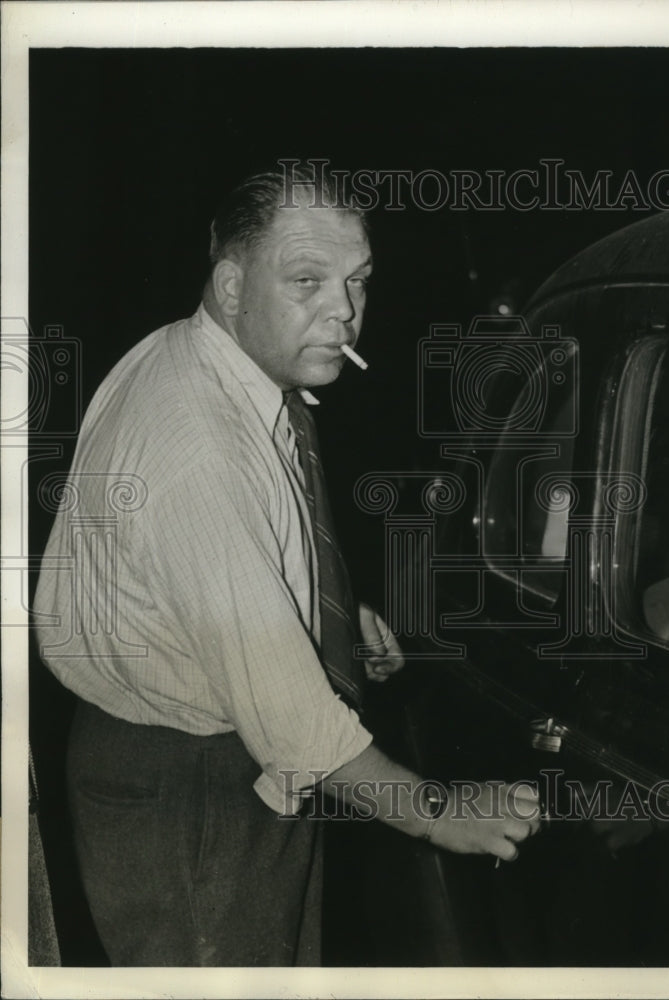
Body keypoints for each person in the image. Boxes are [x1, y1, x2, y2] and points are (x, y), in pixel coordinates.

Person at [33, 164, 541, 967]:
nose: (343, 309)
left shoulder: (211, 361)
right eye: (307, 280)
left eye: (357, 281)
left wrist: (318, 612)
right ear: (231, 285)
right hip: (190, 791)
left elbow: (235, 559)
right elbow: (293, 722)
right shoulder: (195, 441)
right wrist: (439, 810)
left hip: (222, 756)